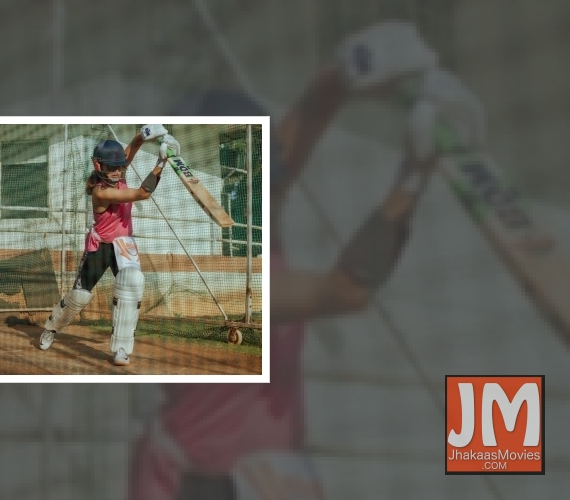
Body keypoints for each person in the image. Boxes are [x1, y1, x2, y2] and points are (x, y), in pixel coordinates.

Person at [127, 21, 485, 499]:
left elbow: (291, 145)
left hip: (252, 478)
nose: (277, 190)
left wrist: (347, 70)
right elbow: (347, 289)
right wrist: (413, 177)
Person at [38, 125, 181, 366]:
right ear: (98, 166)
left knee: (131, 287)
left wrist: (147, 134)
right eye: (111, 167)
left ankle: (122, 349)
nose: (117, 171)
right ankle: (51, 329)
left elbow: (134, 146)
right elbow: (142, 193)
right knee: (78, 297)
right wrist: (161, 163)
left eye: (120, 167)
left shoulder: (116, 170)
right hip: (101, 247)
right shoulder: (100, 192)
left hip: (124, 244)